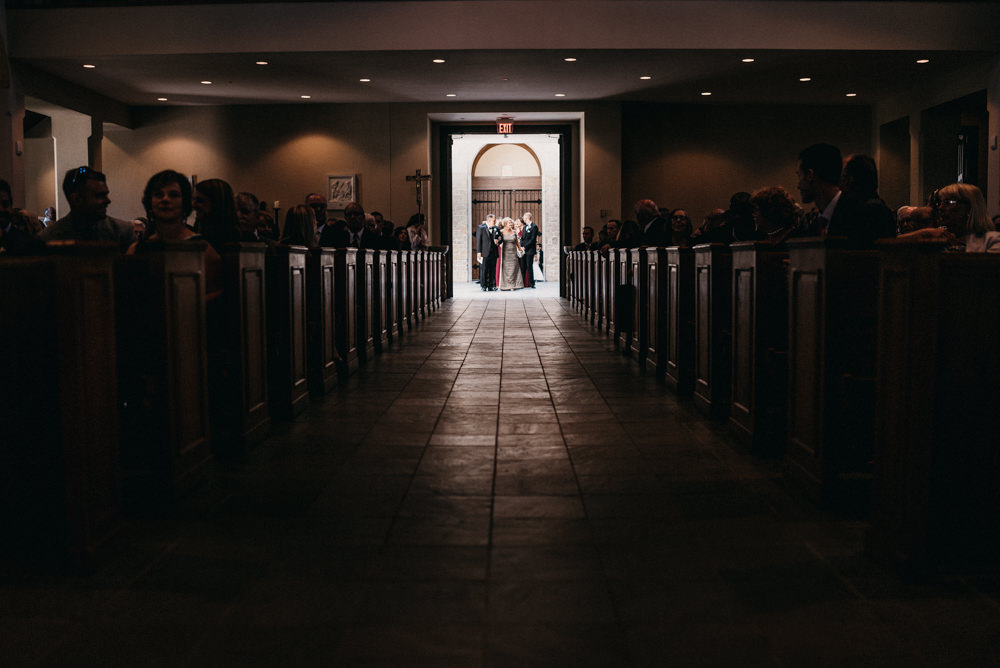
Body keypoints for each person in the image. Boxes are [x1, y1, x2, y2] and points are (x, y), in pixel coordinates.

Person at [127, 169, 223, 299]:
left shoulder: (203, 250)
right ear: (149, 201)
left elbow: (216, 294)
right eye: (158, 194)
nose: (165, 199)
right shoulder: (135, 250)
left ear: (185, 202)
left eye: (174, 195)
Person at [39, 166, 134, 252]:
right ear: (77, 199)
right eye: (99, 196)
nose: (108, 201)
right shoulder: (48, 239)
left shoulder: (123, 233)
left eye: (106, 194)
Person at [901, 183, 999, 252]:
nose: (940, 207)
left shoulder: (992, 240)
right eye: (940, 203)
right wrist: (925, 233)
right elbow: (890, 247)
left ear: (970, 208)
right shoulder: (938, 237)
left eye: (948, 203)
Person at [192, 178, 239, 253]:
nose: (193, 205)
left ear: (216, 203)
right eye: (194, 200)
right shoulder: (196, 231)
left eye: (200, 201)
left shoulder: (237, 239)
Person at [496, 217, 524, 291]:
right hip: (505, 252)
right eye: (509, 223)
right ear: (505, 224)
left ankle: (513, 285)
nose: (511, 224)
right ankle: (505, 285)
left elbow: (517, 242)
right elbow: (498, 242)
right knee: (506, 268)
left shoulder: (514, 232)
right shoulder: (501, 232)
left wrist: (520, 250)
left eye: (511, 223)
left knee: (514, 268)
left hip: (513, 252)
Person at [477, 214, 499, 291]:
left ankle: (492, 285)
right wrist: (479, 252)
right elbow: (479, 241)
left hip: (494, 252)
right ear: (489, 220)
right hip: (484, 252)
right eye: (494, 221)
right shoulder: (481, 228)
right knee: (484, 269)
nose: (495, 222)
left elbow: (500, 238)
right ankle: (484, 285)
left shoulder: (496, 228)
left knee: (492, 269)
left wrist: (498, 242)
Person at [520, 211, 539, 288]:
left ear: (527, 218)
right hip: (524, 249)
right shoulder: (524, 227)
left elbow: (532, 239)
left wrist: (525, 246)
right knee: (523, 266)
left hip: (530, 249)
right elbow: (522, 238)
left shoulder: (534, 227)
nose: (523, 219)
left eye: (524, 217)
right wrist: (521, 246)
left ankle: (532, 283)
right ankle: (522, 283)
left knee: (529, 266)